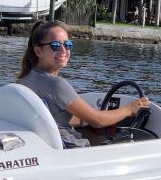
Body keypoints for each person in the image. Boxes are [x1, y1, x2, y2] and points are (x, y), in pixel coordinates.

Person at [18, 20, 150, 148]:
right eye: (56, 46)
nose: (64, 51)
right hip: (71, 149)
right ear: (38, 51)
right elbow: (98, 121)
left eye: (68, 44)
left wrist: (87, 117)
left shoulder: (25, 81)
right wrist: (130, 109)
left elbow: (52, 118)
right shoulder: (56, 84)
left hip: (50, 147)